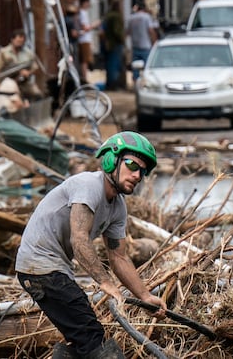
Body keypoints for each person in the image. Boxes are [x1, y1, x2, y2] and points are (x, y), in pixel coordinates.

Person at [15, 132, 165, 359]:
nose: (137, 175)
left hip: (53, 269)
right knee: (90, 335)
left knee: (81, 340)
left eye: (142, 171)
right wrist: (105, 282)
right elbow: (79, 239)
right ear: (110, 160)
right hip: (39, 266)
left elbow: (119, 257)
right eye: (132, 165)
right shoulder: (88, 186)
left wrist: (145, 296)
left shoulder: (118, 208)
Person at [0, 29, 41, 117]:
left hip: (24, 82)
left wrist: (28, 72)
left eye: (22, 41)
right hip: (9, 81)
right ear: (12, 40)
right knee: (10, 99)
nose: (20, 43)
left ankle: (33, 115)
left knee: (37, 94)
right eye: (18, 41)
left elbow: (35, 68)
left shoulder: (28, 53)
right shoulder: (4, 52)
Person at [125, 1, 160, 82]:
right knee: (147, 67)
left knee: (135, 68)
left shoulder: (131, 18)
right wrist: (155, 42)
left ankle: (135, 84)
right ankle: (146, 83)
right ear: (144, 8)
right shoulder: (146, 17)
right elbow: (151, 31)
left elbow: (127, 32)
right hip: (146, 46)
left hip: (135, 46)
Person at [100, 0, 126, 91]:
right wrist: (122, 40)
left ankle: (109, 84)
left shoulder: (107, 15)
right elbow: (117, 31)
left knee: (109, 65)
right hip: (115, 44)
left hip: (107, 44)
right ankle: (113, 86)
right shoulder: (116, 16)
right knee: (114, 65)